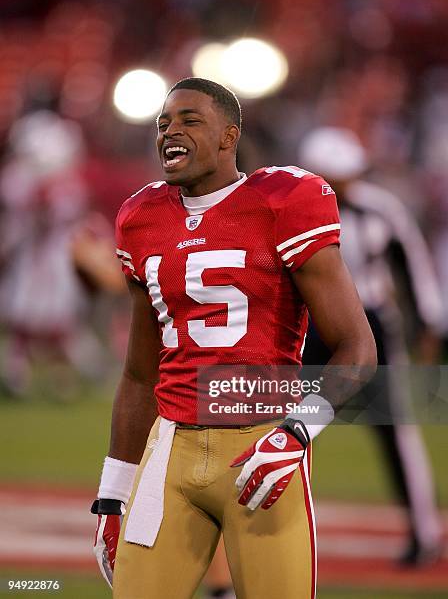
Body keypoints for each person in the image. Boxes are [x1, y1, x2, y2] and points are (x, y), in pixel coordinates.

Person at [91, 78, 376, 599]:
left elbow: (358, 349)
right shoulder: (141, 218)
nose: (170, 132)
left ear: (229, 136)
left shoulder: (284, 200)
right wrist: (112, 494)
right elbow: (138, 373)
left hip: (261, 448)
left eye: (189, 120)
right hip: (169, 452)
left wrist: (297, 433)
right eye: (162, 123)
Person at [299, 126, 444, 566]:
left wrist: (429, 321)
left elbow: (412, 264)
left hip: (373, 326)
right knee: (297, 426)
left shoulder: (379, 208)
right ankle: (266, 527)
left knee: (395, 430)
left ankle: (426, 532)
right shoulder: (295, 211)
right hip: (314, 328)